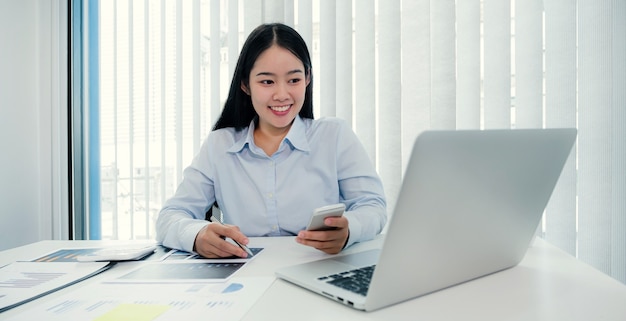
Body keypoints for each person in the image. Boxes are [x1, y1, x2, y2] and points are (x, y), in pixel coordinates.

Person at [155, 23, 387, 258]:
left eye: (294, 80)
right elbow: (170, 217)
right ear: (245, 84)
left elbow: (373, 206)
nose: (282, 94)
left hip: (318, 268)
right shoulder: (220, 145)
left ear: (307, 78)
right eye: (267, 82)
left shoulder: (333, 135)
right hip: (246, 275)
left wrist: (348, 231)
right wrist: (197, 235)